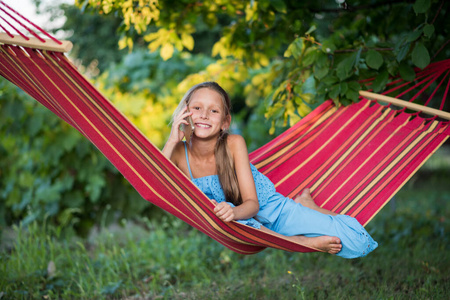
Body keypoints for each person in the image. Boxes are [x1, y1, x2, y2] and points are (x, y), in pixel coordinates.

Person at [163, 81, 378, 258]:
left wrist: (233, 211)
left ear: (224, 122)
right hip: (244, 228)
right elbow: (156, 181)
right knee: (237, 219)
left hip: (272, 211)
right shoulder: (178, 154)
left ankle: (308, 207)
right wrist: (173, 139)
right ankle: (301, 242)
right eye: (197, 108)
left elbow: (252, 205)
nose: (204, 115)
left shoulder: (233, 143)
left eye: (214, 110)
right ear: (185, 112)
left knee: (357, 243)